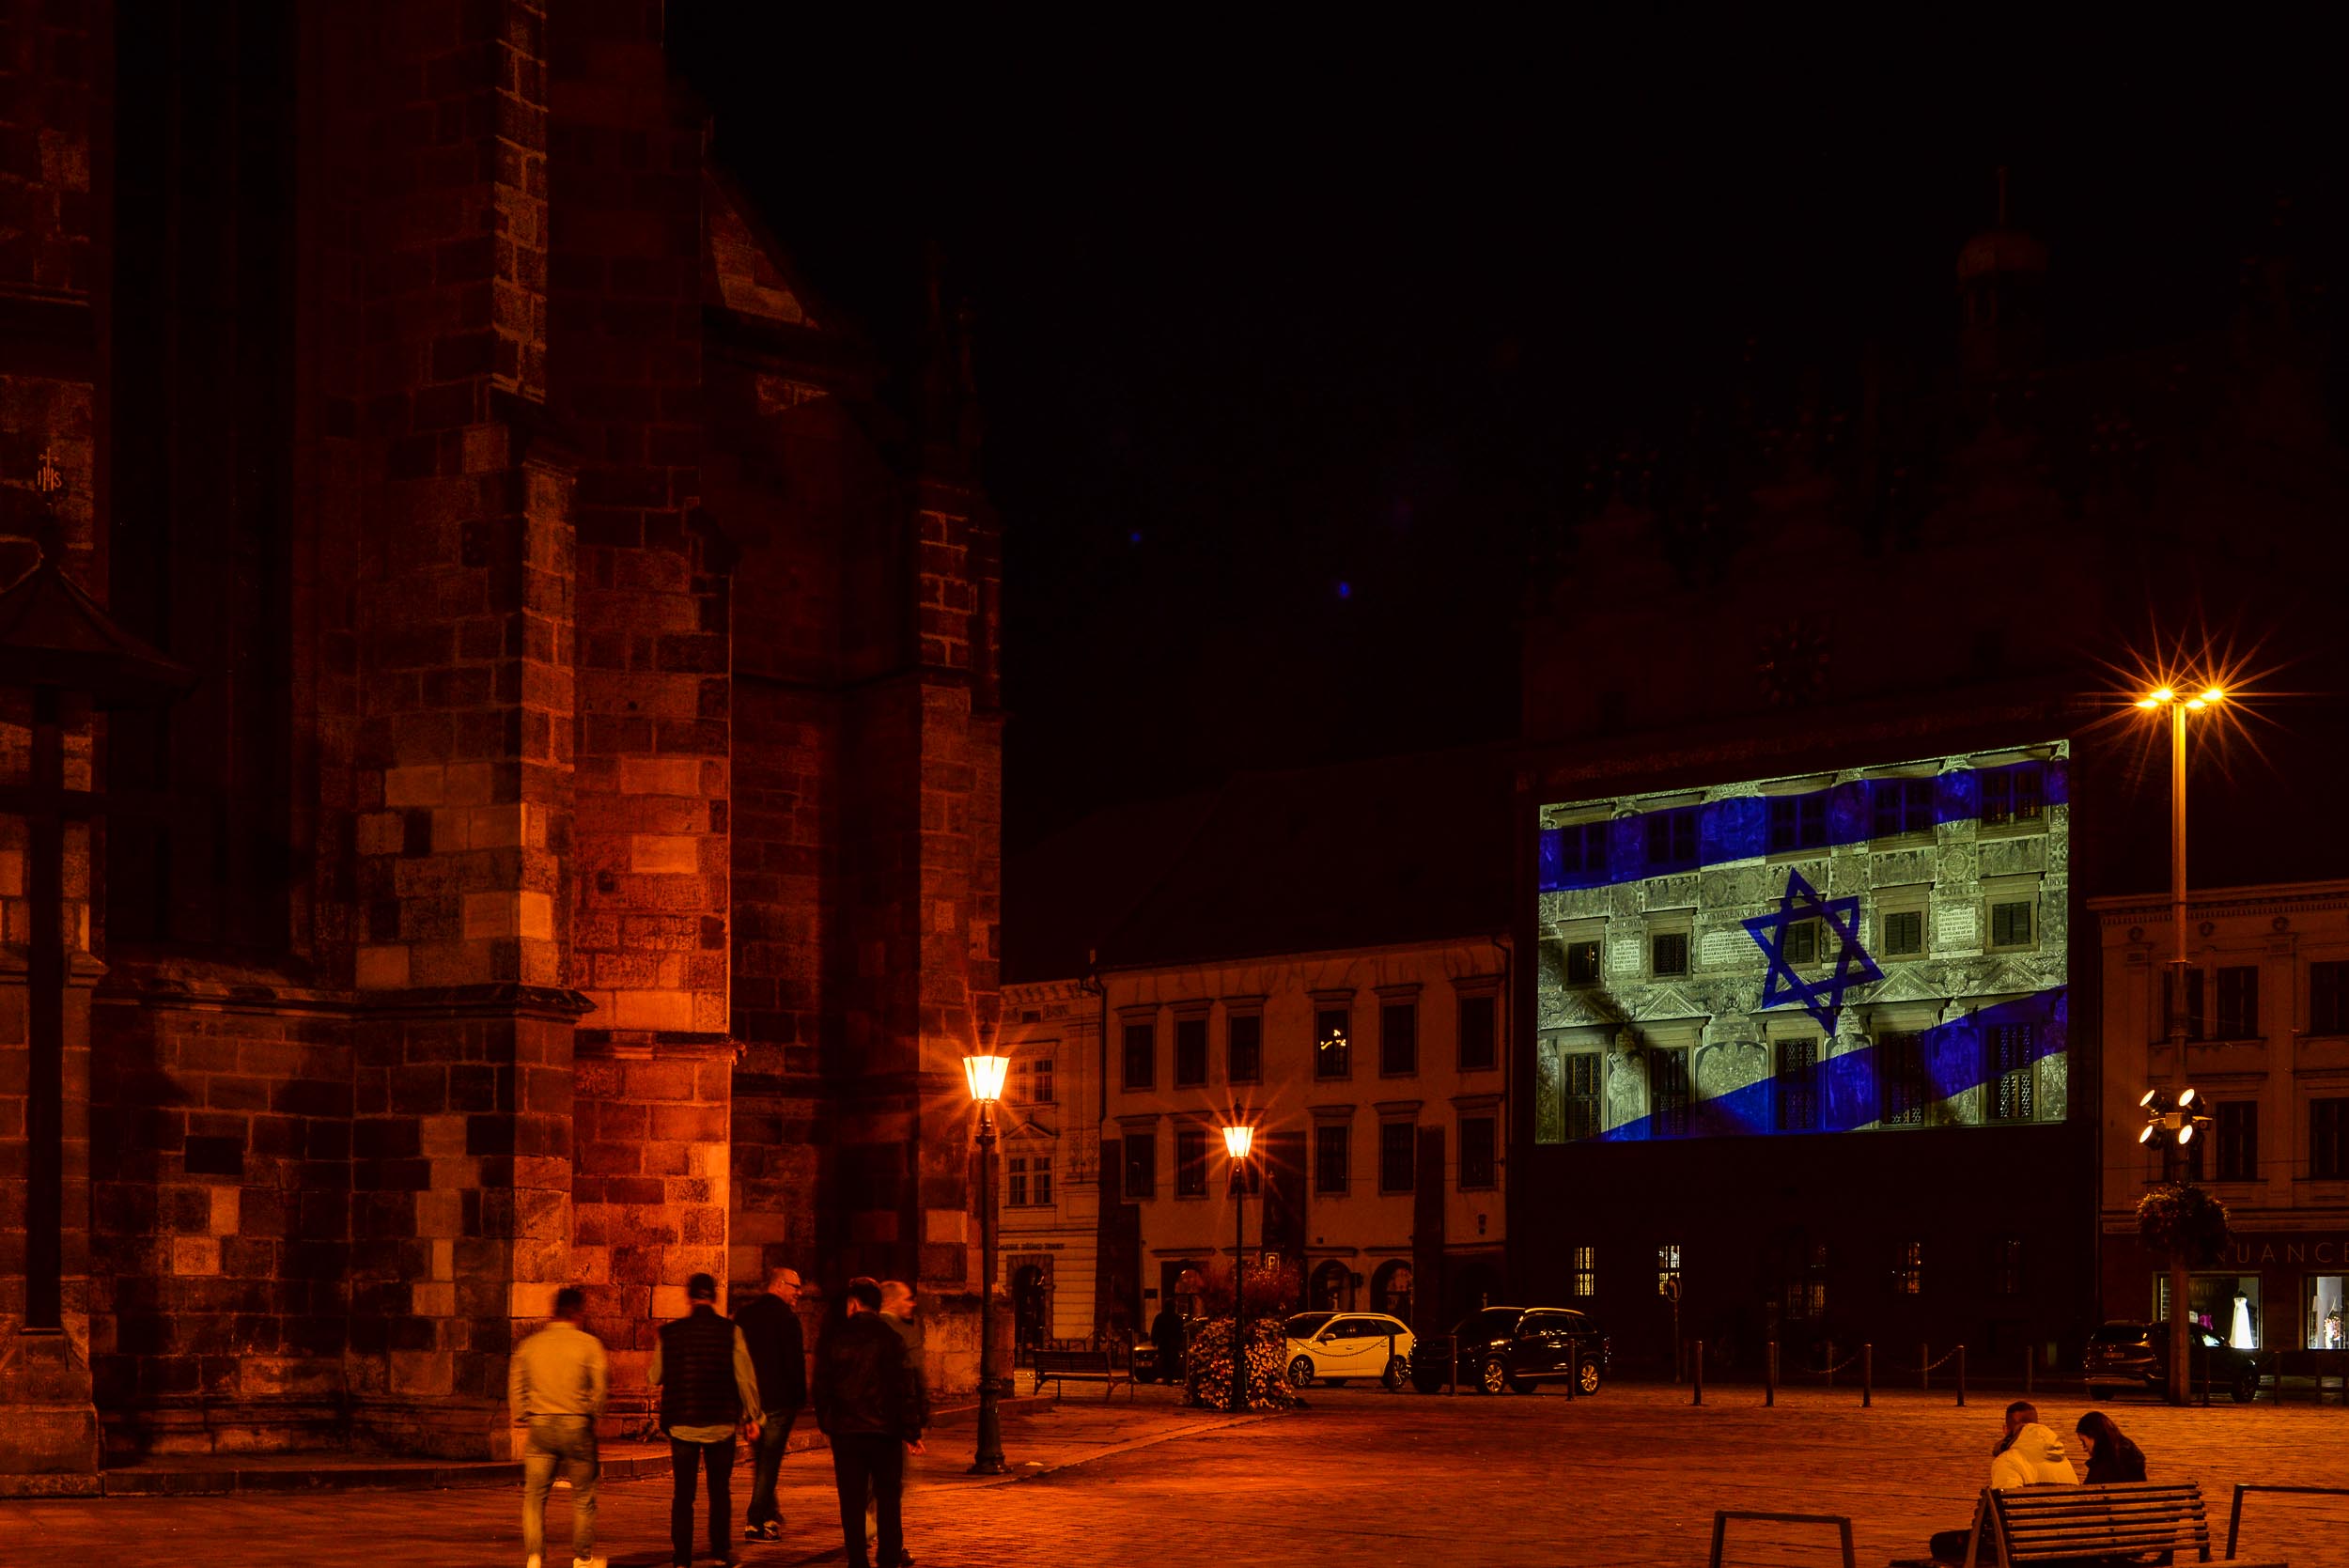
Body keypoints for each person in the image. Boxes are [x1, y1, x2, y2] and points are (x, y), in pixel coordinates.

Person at [650, 1272, 762, 1568]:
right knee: (719, 1492)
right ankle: (721, 1552)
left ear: (689, 1297)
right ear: (714, 1297)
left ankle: (682, 1558)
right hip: (720, 1421)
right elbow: (745, 1378)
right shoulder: (731, 1332)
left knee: (683, 1495)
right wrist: (752, 1416)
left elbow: (655, 1376)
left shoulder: (670, 1333)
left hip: (682, 1422)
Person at [815, 1277, 926, 1568]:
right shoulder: (892, 1339)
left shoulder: (836, 1337)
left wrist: (829, 1421)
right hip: (884, 1433)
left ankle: (858, 1560)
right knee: (889, 1499)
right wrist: (911, 1431)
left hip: (847, 1433)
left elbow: (821, 1385)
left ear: (853, 1304)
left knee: (851, 1502)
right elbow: (905, 1388)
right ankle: (888, 1558)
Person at [508, 1285, 609, 1568]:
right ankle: (582, 1557)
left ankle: (534, 1556)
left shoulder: (531, 1345)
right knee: (583, 1495)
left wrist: (523, 1413)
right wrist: (592, 1414)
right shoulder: (589, 1345)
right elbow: (599, 1390)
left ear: (553, 1313)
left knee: (535, 1496)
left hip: (540, 1425)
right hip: (576, 1424)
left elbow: (517, 1383)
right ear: (579, 1313)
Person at [1925, 1400, 2079, 1563]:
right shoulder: (2062, 1459)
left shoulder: (2008, 1460)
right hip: (2065, 1543)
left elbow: (2005, 1517)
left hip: (2023, 1545)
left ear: (2006, 1430)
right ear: (2037, 1425)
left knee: (1941, 1543)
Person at [736, 1265, 808, 1545]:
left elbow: (738, 1361)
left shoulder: (744, 1316)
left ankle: (769, 1516)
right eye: (795, 1286)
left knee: (763, 1461)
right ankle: (754, 1520)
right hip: (778, 1402)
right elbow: (794, 1363)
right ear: (778, 1284)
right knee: (769, 1463)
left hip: (751, 1403)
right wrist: (799, 1398)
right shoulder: (787, 1319)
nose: (799, 1293)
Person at [868, 1281, 931, 1565]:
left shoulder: (857, 1329)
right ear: (891, 1302)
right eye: (907, 1299)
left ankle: (866, 1531)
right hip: (891, 1424)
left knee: (870, 1484)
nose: (912, 1304)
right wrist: (915, 1426)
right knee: (892, 1488)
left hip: (861, 1423)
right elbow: (911, 1381)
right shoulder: (902, 1333)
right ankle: (889, 1549)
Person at [2075, 1410, 2148, 1483]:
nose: (2084, 1448)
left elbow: (2089, 1491)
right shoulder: (2131, 1454)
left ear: (2094, 1436)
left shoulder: (2103, 1465)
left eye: (2083, 1441)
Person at [1150, 1303, 1186, 1386]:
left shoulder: (1160, 1317)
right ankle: (1169, 1377)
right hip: (1171, 1343)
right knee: (1171, 1360)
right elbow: (1180, 1331)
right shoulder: (1177, 1318)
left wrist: (1154, 1340)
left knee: (1166, 1360)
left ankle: (1167, 1377)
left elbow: (1155, 1329)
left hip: (1164, 1343)